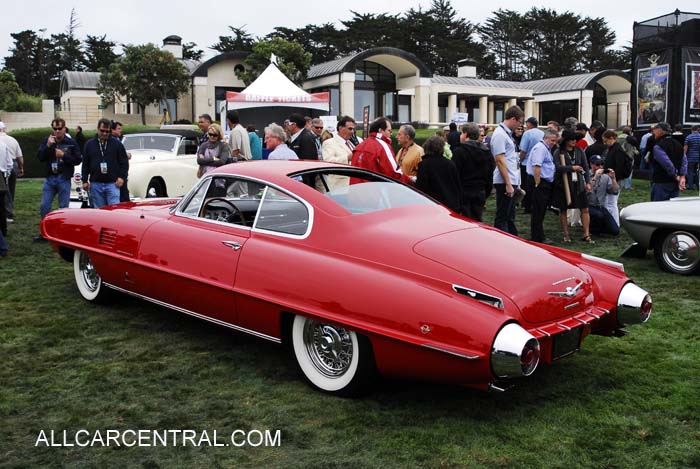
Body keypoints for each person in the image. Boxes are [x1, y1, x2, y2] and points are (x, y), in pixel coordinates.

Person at [36, 118, 82, 241]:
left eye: (59, 129)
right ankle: (45, 233)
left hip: (64, 177)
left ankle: (62, 233)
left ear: (64, 128)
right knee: (44, 206)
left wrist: (64, 155)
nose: (57, 131)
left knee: (63, 207)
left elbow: (78, 160)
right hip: (50, 178)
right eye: (55, 129)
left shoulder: (71, 142)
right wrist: (47, 146)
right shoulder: (48, 140)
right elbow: (40, 157)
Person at [553, 130, 593, 243]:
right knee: (564, 210)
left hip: (578, 184)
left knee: (585, 208)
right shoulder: (558, 152)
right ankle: (566, 234)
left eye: (575, 139)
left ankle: (586, 234)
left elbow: (585, 165)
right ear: (566, 140)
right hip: (564, 185)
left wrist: (588, 182)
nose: (574, 141)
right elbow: (557, 167)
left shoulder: (579, 151)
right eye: (571, 139)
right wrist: (572, 168)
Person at [491, 105, 524, 235]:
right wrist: (509, 184)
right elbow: (499, 159)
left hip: (510, 180)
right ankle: (501, 242)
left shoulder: (506, 134)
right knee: (503, 216)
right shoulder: (500, 134)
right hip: (505, 181)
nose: (519, 125)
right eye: (519, 122)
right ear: (513, 119)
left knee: (509, 216)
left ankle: (512, 240)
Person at [81, 118, 128, 209]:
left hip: (112, 184)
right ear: (98, 128)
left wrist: (122, 177)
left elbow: (124, 163)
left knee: (114, 211)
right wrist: (85, 180)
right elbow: (85, 164)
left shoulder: (117, 144)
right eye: (102, 131)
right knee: (100, 213)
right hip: (96, 184)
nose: (105, 133)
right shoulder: (89, 144)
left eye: (107, 131)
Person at [451, 123, 494, 221]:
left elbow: (454, 174)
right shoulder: (486, 152)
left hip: (463, 192)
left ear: (465, 134)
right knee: (477, 220)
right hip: (480, 191)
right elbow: (490, 175)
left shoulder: (460, 151)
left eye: (461, 133)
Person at [352, 117, 410, 183]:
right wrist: (410, 181)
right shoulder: (382, 146)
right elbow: (394, 174)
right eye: (389, 131)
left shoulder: (359, 146)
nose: (391, 134)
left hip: (355, 189)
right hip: (375, 190)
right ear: (380, 130)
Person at [416, 136, 462, 213]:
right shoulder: (450, 164)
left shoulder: (424, 164)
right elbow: (457, 185)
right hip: (452, 204)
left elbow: (421, 187)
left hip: (434, 205)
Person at [527, 128, 558, 244]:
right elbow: (536, 166)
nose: (553, 143)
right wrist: (537, 182)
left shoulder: (545, 148)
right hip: (540, 183)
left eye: (555, 141)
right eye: (552, 140)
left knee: (540, 210)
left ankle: (539, 235)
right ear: (545, 138)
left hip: (543, 182)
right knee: (538, 211)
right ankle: (537, 237)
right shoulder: (540, 148)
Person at [651, 122, 687, 201]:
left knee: (658, 208)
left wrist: (675, 175)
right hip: (675, 183)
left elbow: (667, 163)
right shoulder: (678, 144)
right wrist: (682, 176)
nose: (653, 133)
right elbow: (684, 161)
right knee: (672, 209)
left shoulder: (658, 146)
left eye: (655, 130)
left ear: (660, 131)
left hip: (662, 181)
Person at [587, 155, 620, 236]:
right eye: (597, 164)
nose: (600, 167)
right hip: (588, 205)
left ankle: (596, 229)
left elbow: (614, 191)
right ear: (591, 164)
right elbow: (587, 191)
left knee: (615, 231)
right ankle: (591, 228)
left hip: (601, 206)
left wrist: (613, 179)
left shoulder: (605, 177)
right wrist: (595, 177)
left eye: (602, 164)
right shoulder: (586, 175)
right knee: (599, 215)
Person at [321, 116, 355, 191]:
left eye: (353, 129)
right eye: (350, 129)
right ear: (340, 128)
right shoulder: (329, 143)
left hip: (353, 187)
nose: (352, 131)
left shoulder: (351, 143)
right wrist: (347, 158)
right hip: (339, 187)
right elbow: (328, 162)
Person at [518, 117, 544, 214]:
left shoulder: (527, 134)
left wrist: (519, 160)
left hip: (526, 164)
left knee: (526, 186)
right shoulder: (542, 133)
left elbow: (523, 150)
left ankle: (527, 206)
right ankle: (536, 205)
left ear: (529, 124)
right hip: (539, 164)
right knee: (536, 186)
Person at [0, 121, 24, 223]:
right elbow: (20, 157)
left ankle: (5, 213)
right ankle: (9, 213)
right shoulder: (13, 140)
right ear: (4, 129)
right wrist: (21, 168)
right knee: (11, 189)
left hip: (1, 166)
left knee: (3, 191)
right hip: (12, 164)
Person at [110, 120, 131, 202]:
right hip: (117, 175)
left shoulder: (118, 140)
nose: (120, 130)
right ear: (112, 130)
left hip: (122, 174)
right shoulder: (112, 141)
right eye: (118, 128)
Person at [0, 138, 10, 252]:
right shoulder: (2, 144)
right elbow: (9, 164)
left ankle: (2, 248)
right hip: (2, 176)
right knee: (2, 208)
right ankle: (4, 230)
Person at [684, 125, 700, 191]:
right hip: (698, 157)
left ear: (691, 129)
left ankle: (690, 186)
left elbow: (685, 148)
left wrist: (684, 156)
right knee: (697, 172)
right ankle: (698, 185)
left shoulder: (689, 137)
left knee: (690, 171)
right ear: (698, 129)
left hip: (690, 157)